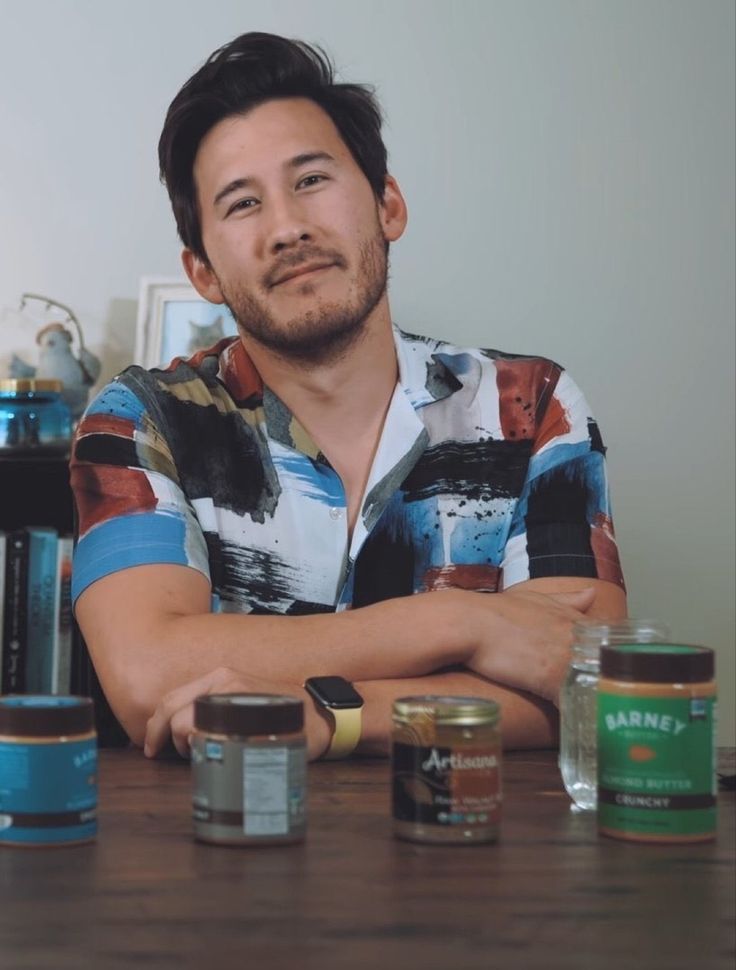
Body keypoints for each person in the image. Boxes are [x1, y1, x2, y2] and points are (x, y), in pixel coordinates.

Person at [70, 32, 626, 762]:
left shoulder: (529, 404)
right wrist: (467, 625)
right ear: (202, 271)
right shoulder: (143, 419)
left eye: (310, 181)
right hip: (221, 854)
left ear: (388, 205)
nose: (288, 228)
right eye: (242, 204)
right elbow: (146, 673)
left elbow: (587, 679)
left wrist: (333, 714)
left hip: (478, 855)